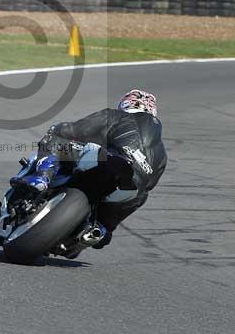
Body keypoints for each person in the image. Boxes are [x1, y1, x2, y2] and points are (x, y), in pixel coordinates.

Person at [10, 89, 167, 251]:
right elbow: (149, 185)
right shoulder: (162, 154)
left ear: (126, 103)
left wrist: (66, 132)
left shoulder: (116, 115)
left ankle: (41, 177)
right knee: (141, 195)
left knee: (56, 135)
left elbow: (73, 131)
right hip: (130, 184)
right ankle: (101, 229)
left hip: (108, 160)